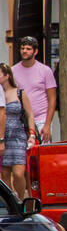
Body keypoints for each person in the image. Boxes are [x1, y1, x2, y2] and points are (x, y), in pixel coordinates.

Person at [0, 63, 36, 198]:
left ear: (7, 75)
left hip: (18, 135)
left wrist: (31, 134)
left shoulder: (19, 93)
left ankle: (21, 199)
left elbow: (30, 114)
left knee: (18, 172)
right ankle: (11, 200)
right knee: (4, 173)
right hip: (3, 136)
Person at [12, 36, 57, 143]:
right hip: (21, 121)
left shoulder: (45, 71)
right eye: (22, 48)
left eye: (28, 49)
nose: (24, 51)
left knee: (42, 154)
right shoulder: (13, 71)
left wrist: (47, 124)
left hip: (41, 120)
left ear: (35, 51)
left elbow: (52, 99)